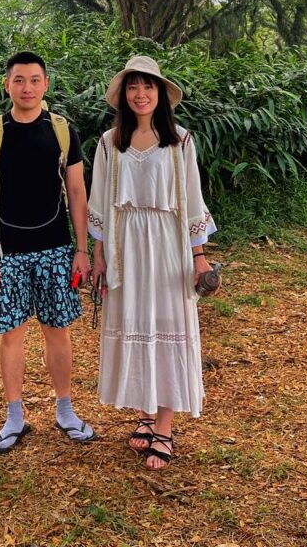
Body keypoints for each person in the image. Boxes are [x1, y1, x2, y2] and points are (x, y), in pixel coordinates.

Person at [89, 55, 219, 469]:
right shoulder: (110, 142)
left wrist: (199, 259)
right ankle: (145, 414)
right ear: (123, 95)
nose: (140, 94)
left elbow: (193, 200)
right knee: (135, 322)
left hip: (168, 248)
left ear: (160, 93)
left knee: (166, 325)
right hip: (125, 247)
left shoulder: (180, 141)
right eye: (133, 86)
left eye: (147, 86)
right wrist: (98, 256)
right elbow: (99, 203)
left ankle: (164, 426)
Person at [0, 50, 95, 453]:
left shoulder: (61, 130)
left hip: (55, 249)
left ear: (46, 84)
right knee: (12, 336)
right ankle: (14, 417)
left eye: (35, 80)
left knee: (58, 332)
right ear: (6, 84)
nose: (27, 87)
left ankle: (65, 410)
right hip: (7, 252)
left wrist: (82, 249)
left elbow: (77, 191)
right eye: (19, 80)